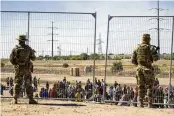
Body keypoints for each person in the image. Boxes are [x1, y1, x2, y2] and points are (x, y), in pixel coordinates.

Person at [131, 34, 159, 108]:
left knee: (141, 86)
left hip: (139, 69)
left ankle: (141, 103)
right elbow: (156, 58)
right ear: (148, 39)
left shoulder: (137, 48)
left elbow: (133, 61)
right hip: (148, 69)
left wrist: (139, 65)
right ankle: (150, 104)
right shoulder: (151, 48)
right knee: (149, 86)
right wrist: (155, 52)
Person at [9, 35, 37, 104]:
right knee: (28, 83)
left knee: (17, 83)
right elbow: (33, 58)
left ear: (18, 40)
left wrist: (16, 64)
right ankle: (31, 99)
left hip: (18, 69)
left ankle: (15, 99)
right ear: (25, 41)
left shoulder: (15, 49)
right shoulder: (28, 48)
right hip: (27, 68)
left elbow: (11, 59)